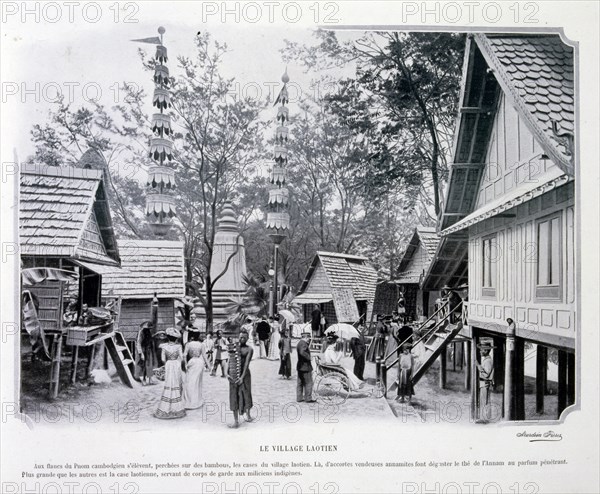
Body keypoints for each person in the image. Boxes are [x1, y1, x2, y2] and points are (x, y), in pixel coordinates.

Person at [154, 327, 186, 419]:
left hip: (168, 364)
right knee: (176, 383)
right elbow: (182, 358)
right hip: (176, 364)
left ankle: (165, 408)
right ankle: (176, 408)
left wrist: (167, 363)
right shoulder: (178, 346)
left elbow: (163, 359)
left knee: (169, 384)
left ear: (168, 337)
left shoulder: (164, 346)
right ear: (176, 338)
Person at [227, 330, 254, 428]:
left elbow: (246, 364)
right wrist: (227, 373)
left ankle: (248, 415)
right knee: (234, 396)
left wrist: (242, 377)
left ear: (247, 339)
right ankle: (236, 421)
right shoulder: (234, 347)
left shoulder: (249, 349)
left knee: (246, 394)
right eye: (240, 337)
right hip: (233, 374)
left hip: (245, 375)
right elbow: (229, 359)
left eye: (243, 337)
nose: (241, 339)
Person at [183, 329, 209, 409]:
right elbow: (204, 356)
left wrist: (185, 364)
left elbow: (184, 355)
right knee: (197, 382)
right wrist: (208, 365)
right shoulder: (201, 344)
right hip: (199, 363)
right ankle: (196, 401)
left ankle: (189, 401)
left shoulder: (188, 344)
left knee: (189, 382)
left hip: (192, 362)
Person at [476, 340, 495, 423]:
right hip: (484, 383)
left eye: (481, 350)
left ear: (486, 351)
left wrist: (478, 366)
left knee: (485, 401)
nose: (480, 351)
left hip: (485, 383)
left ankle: (485, 419)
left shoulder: (488, 361)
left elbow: (486, 374)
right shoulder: (487, 360)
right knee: (484, 401)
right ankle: (485, 418)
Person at [135, 321, 158, 385]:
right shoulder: (141, 333)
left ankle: (150, 379)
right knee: (143, 366)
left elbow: (149, 340)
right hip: (143, 350)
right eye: (149, 328)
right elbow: (138, 343)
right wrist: (141, 353)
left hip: (149, 350)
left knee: (149, 365)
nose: (150, 329)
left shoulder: (148, 332)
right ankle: (143, 379)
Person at [296, 331, 315, 403]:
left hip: (300, 366)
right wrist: (309, 357)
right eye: (308, 338)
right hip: (305, 366)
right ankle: (308, 398)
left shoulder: (299, 343)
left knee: (300, 383)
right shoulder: (303, 344)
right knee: (309, 382)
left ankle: (299, 398)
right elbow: (302, 352)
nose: (309, 339)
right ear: (306, 337)